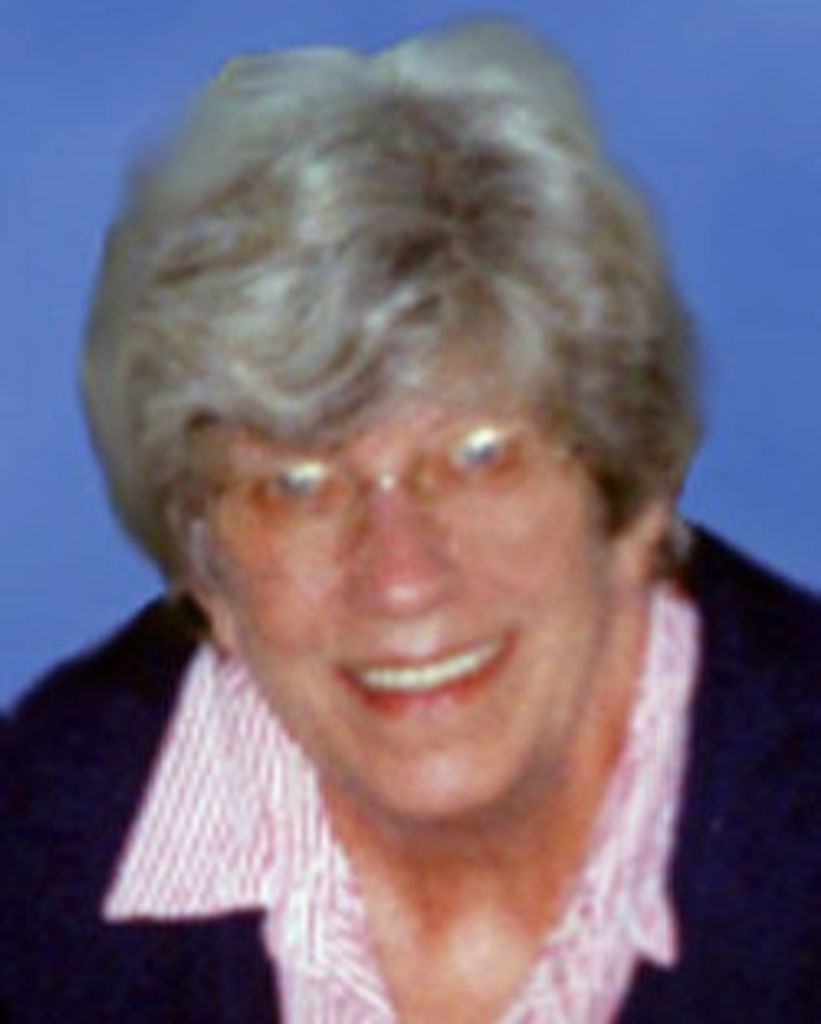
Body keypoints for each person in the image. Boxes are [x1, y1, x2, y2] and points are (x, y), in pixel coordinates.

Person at [2, 19, 820, 1024]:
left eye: (478, 458)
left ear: (633, 504)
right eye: (297, 485)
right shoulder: (34, 861)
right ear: (207, 575)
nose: (400, 578)